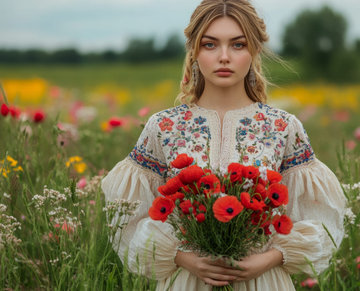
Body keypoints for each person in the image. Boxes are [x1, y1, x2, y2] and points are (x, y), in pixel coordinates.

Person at [101, 0, 347, 290]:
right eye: (210, 45)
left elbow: (318, 219)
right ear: (194, 51)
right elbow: (129, 217)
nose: (224, 57)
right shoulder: (164, 126)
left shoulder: (282, 127)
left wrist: (268, 259)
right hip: (188, 281)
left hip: (262, 281)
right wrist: (184, 258)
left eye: (238, 45)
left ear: (254, 50)